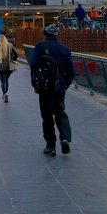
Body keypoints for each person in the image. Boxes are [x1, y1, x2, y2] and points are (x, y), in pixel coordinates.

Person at [30, 24, 75, 156]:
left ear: (45, 34)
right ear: (56, 35)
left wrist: (35, 82)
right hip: (59, 87)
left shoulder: (40, 47)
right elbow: (71, 72)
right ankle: (65, 138)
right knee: (60, 112)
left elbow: (33, 65)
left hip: (45, 88)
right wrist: (64, 85)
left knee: (47, 116)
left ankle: (51, 146)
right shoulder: (65, 50)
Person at [0, 30, 19, 103]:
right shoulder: (10, 45)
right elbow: (16, 54)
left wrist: (0, 57)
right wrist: (13, 60)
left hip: (1, 65)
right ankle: (6, 93)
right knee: (6, 80)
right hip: (9, 65)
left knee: (3, 81)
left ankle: (5, 94)